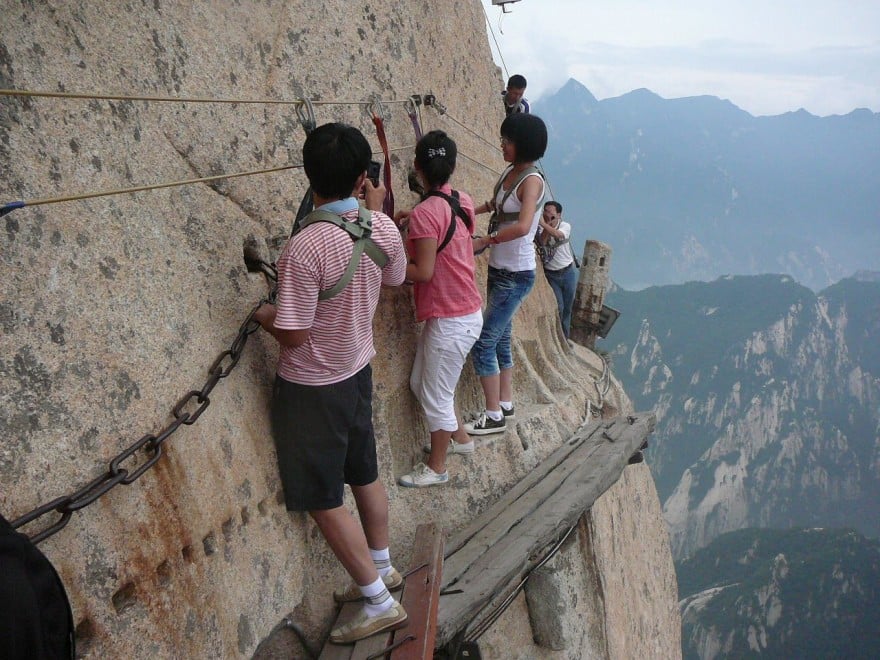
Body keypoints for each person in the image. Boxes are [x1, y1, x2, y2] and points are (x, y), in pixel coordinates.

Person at [253, 122, 408, 645]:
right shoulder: (381, 228)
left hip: (314, 385)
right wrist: (377, 210)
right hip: (357, 368)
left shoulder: (305, 247)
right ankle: (382, 567)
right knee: (364, 472)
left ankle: (378, 600)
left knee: (322, 497)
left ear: (308, 175)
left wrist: (262, 314)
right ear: (363, 177)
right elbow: (396, 278)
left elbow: (294, 335)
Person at [394, 131, 483, 488]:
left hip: (451, 319)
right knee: (421, 384)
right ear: (453, 165)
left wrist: (388, 268)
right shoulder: (463, 201)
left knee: (436, 395)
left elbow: (423, 272)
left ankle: (437, 467)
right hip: (462, 312)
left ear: (417, 168)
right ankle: (460, 439)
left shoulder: (424, 214)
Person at [468, 113, 547, 435]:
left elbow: (524, 225)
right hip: (502, 270)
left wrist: (486, 240)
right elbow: (496, 206)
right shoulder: (511, 173)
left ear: (523, 144)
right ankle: (505, 403)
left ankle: (493, 415)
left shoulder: (532, 180)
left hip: (516, 274)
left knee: (483, 343)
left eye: (507, 140)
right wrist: (466, 209)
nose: (502, 144)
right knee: (500, 338)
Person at [537, 200, 578, 338]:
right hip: (552, 274)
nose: (547, 213)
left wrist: (544, 224)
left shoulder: (565, 226)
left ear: (558, 214)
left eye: (550, 211)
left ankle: (564, 338)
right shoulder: (542, 228)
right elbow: (541, 242)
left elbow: (559, 235)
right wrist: (546, 225)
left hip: (567, 272)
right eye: (545, 210)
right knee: (559, 307)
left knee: (567, 308)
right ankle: (557, 337)